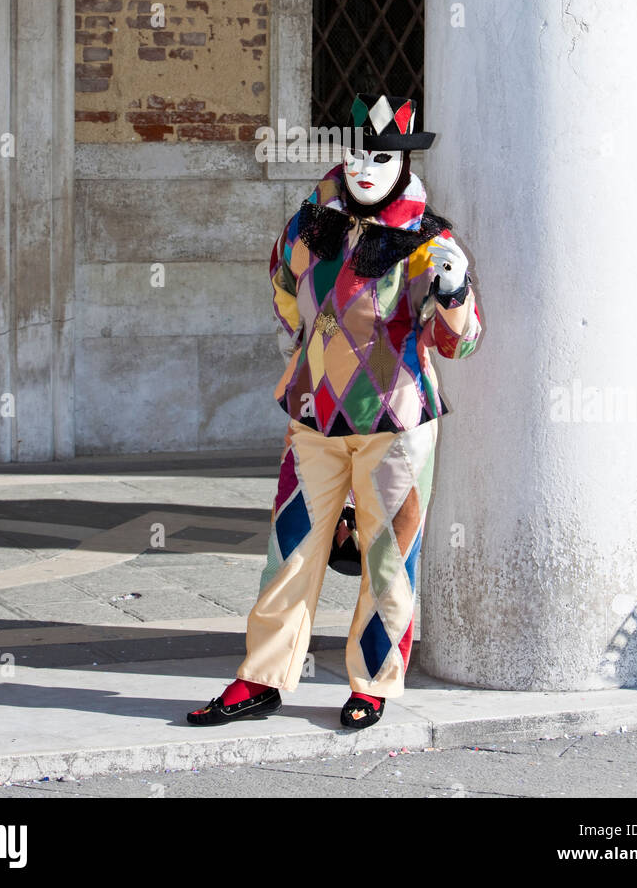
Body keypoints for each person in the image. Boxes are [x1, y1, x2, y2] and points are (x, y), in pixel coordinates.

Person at [187, 92, 482, 730]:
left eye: (381, 155)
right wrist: (318, 350)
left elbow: (461, 342)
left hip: (397, 424)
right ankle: (260, 679)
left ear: (403, 164)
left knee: (386, 557)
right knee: (289, 549)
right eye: (355, 152)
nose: (364, 167)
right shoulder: (310, 223)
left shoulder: (428, 242)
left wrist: (454, 290)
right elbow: (285, 292)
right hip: (314, 418)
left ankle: (372, 682)